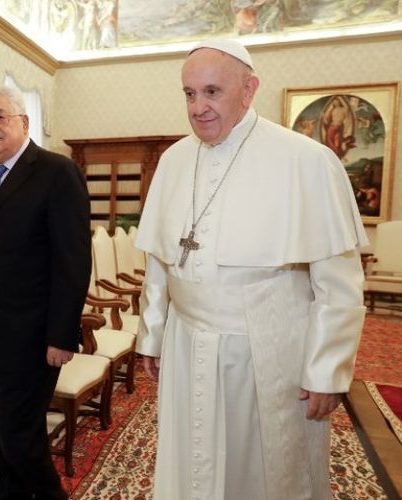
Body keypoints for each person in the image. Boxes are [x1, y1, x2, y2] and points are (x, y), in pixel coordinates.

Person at [134, 39, 367, 500]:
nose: (198, 107)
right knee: (189, 463)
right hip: (186, 342)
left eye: (212, 91)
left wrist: (326, 369)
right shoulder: (173, 160)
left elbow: (337, 281)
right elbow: (159, 261)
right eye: (189, 93)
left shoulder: (306, 159)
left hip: (266, 346)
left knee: (265, 472)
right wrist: (153, 334)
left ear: (249, 88)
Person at [0, 85, 91, 500]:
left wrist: (62, 335)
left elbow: (72, 262)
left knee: (20, 442)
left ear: (24, 122)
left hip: (31, 338)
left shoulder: (56, 172)